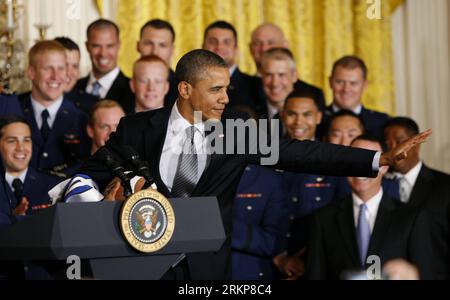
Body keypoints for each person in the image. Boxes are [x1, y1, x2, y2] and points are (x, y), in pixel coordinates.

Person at [79, 49, 431, 280]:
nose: (226, 98)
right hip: (142, 264)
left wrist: (375, 159)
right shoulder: (139, 128)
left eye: (228, 88)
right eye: (216, 89)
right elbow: (90, 172)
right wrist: (96, 198)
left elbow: (302, 153)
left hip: (207, 272)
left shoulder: (236, 132)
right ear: (185, 90)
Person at [304, 135, 434, 280]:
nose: (360, 169)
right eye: (353, 161)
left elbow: (428, 272)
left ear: (384, 166)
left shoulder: (411, 218)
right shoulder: (323, 218)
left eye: (369, 161)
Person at [273, 90, 349, 279]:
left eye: (306, 114)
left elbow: (342, 218)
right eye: (291, 114)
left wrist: (309, 260)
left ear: (319, 117)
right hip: (270, 263)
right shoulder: (267, 157)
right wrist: (279, 258)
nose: (298, 122)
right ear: (282, 116)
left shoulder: (334, 161)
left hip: (321, 266)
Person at [384, 117, 450, 279]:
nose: (394, 148)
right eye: (388, 143)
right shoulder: (377, 185)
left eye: (399, 141)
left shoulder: (445, 185)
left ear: (417, 144)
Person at [18, 41, 90, 173]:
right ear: (31, 72)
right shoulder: (12, 111)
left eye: (61, 68)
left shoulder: (83, 119)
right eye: (48, 68)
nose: (55, 76)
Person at [250, 23, 325, 111]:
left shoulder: (312, 95)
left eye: (271, 42)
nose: (264, 48)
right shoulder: (243, 92)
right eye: (257, 43)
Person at [0, 115, 62, 216]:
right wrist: (13, 219)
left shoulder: (55, 186)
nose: (20, 148)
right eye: (12, 141)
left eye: (26, 140)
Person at [321, 55, 389, 139]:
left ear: (364, 85)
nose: (346, 89)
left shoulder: (382, 122)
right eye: (339, 82)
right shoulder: (316, 120)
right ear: (330, 82)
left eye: (353, 83)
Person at [203, 20, 262, 112]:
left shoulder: (256, 85)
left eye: (226, 42)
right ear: (203, 46)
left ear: (236, 48)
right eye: (213, 41)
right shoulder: (190, 83)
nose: (219, 47)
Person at [75, 19, 133, 112]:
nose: (103, 54)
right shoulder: (74, 87)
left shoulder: (133, 90)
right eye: (96, 46)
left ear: (119, 45)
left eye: (109, 46)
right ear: (87, 46)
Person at [137, 19, 178, 107]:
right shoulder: (121, 90)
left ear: (172, 49)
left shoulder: (187, 91)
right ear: (138, 46)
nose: (155, 51)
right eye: (148, 43)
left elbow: (199, 119)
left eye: (162, 45)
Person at [54, 37, 97, 114]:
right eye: (65, 65)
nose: (69, 73)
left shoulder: (93, 106)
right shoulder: (27, 102)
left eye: (75, 66)